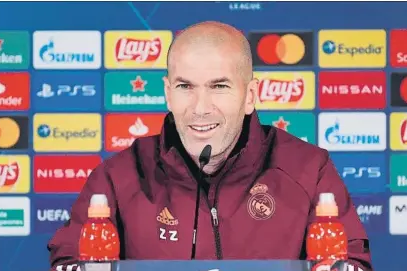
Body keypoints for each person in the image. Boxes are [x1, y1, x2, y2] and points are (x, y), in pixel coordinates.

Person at [48, 21, 373, 271]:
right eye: (185, 86)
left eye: (219, 86)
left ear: (249, 96)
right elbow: (68, 260)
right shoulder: (118, 176)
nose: (200, 107)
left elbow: (351, 263)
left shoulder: (308, 169)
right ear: (167, 93)